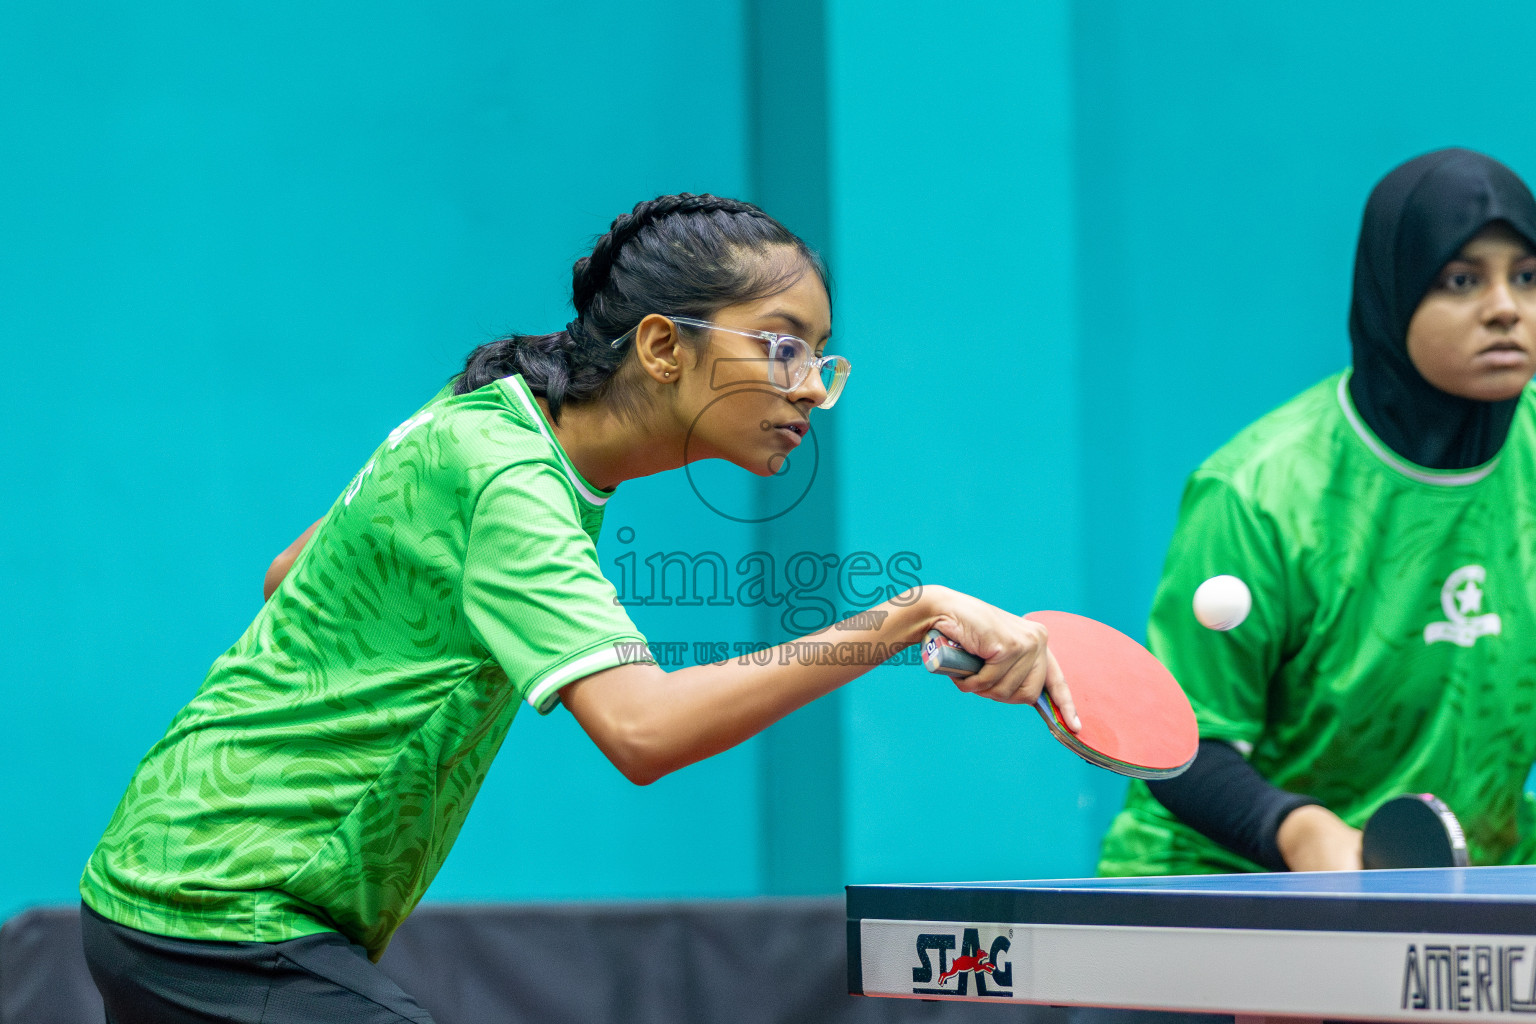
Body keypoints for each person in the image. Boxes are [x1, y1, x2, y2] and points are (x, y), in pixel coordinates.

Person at [78, 193, 1078, 1022]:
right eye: (782, 348)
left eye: (821, 360)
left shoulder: (484, 412)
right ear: (661, 345)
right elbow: (644, 732)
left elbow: (290, 574)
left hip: (194, 885)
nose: (811, 389)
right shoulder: (509, 479)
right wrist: (902, 619)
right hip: (216, 910)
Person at [1097, 149, 1536, 878]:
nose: (1505, 307)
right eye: (1461, 280)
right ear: (1392, 293)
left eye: (1526, 277)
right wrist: (1293, 830)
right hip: (1224, 899)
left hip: (1462, 897)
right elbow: (1178, 747)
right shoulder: (1257, 493)